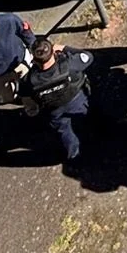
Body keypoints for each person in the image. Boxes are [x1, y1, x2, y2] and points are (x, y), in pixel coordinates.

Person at [20, 35, 92, 165]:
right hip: (76, 99)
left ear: (34, 60)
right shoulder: (69, 65)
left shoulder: (29, 80)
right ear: (53, 52)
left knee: (65, 132)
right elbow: (88, 56)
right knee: (84, 118)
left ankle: (75, 157)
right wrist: (64, 48)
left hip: (53, 109)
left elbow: (26, 96)